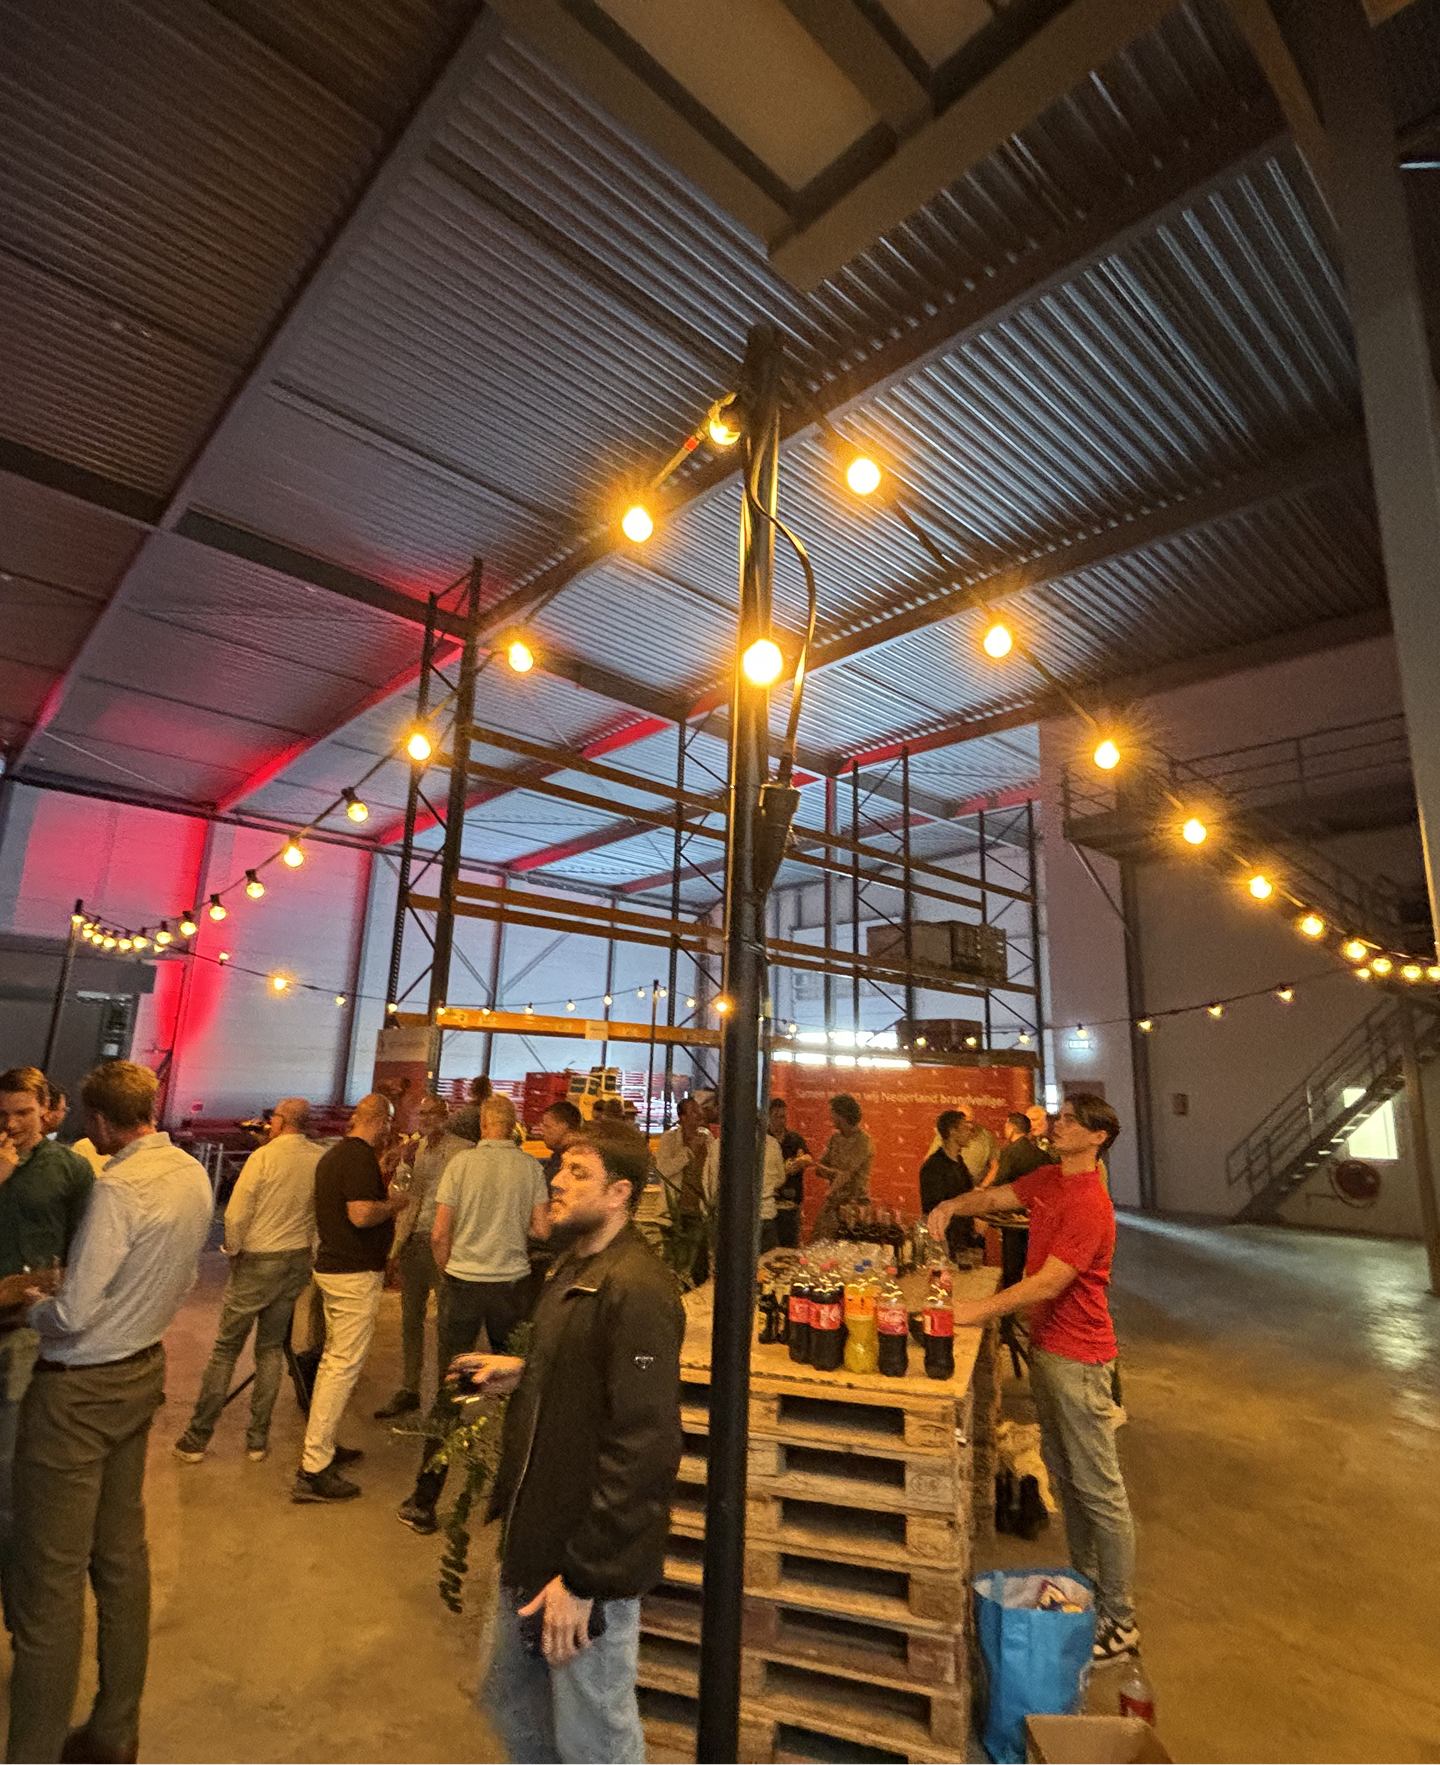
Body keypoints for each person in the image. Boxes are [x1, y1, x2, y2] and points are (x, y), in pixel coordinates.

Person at [458, 1120, 683, 1764]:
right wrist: (524, 1374)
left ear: (619, 1194)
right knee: (512, 1710)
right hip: (532, 1539)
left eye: (577, 1173)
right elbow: (591, 1378)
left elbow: (644, 1447)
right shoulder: (573, 1267)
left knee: (593, 1737)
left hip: (581, 1564)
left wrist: (584, 1579)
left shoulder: (637, 1289)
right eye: (561, 1167)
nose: (555, 1180)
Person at [7, 1060, 212, 1764]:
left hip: (78, 1389)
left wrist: (32, 1301)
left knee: (49, 1581)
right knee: (122, 1557)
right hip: (142, 1369)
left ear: (94, 1121)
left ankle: (30, 1748)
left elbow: (73, 1311)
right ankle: (114, 1729)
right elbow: (181, 1274)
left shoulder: (118, 1189)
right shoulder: (190, 1173)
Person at [927, 1093, 1139, 1662]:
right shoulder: (1048, 1179)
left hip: (1081, 1358)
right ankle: (1087, 1590)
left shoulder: (1092, 1203)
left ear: (1098, 1137)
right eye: (1059, 1116)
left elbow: (1049, 1282)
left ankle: (1121, 1621)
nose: (1058, 1124)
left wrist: (972, 1312)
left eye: (1071, 1119)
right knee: (1067, 1480)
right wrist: (952, 1203)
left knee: (1100, 1490)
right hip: (1049, 1351)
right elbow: (996, 1195)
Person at [397, 1095, 550, 1534]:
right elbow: (541, 1229)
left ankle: (424, 1503)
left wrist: (449, 1276)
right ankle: (514, 1499)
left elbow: (440, 1232)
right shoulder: (528, 1168)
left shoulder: (460, 1166)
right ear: (513, 1126)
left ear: (483, 1125)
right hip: (511, 1290)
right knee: (512, 1387)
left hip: (464, 1288)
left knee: (454, 1391)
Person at [173, 1097, 323, 1463]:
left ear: (283, 1121)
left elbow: (237, 1213)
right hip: (296, 1260)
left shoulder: (264, 1158)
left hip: (259, 1259)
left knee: (226, 1349)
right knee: (270, 1349)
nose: (267, 1123)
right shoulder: (319, 1158)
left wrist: (233, 1250)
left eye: (273, 1118)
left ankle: (196, 1438)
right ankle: (256, 1440)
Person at [0, 1068, 95, 1630]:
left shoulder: (70, 1170)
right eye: (3, 1114)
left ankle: (21, 1611)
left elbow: (85, 1252)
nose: (12, 1125)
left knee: (13, 1479)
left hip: (26, 1336)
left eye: (22, 1114)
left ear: (47, 1111)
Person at [293, 1092, 408, 1504]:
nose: (390, 1130)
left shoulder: (335, 1155)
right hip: (353, 1274)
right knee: (342, 1368)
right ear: (377, 1120)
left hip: (333, 1267)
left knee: (332, 1364)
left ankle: (321, 1446)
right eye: (389, 1121)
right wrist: (396, 1203)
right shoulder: (357, 1158)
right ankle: (314, 1468)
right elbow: (360, 1214)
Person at [374, 1094, 471, 1421]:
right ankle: (410, 1388)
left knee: (449, 1322)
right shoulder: (414, 1151)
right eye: (422, 1113)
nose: (427, 1118)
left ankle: (447, 1393)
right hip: (416, 1241)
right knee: (410, 1320)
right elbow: (399, 1197)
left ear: (447, 1114)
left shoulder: (463, 1151)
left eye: (433, 1113)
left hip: (448, 1245)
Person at [701, 1118, 785, 1252]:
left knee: (735, 1268)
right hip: (766, 1214)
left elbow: (710, 1184)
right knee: (768, 1267)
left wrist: (708, 1213)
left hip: (733, 1217)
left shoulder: (720, 1145)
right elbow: (781, 1178)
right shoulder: (772, 1143)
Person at [809, 1093, 873, 1241]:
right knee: (820, 1246)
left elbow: (847, 1175)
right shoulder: (835, 1138)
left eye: (832, 1112)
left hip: (855, 1207)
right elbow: (819, 1169)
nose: (830, 1117)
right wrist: (835, 1174)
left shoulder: (863, 1141)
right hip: (833, 1205)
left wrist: (832, 1181)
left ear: (841, 1115)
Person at [918, 1109, 979, 1261]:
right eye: (965, 1128)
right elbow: (932, 1209)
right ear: (952, 1131)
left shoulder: (959, 1162)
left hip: (964, 1238)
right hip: (945, 1244)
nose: (969, 1133)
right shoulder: (933, 1167)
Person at [766, 1098, 809, 1248]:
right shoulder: (764, 1140)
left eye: (784, 1116)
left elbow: (808, 1158)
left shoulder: (794, 1138)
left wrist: (798, 1163)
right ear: (769, 1116)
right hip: (769, 1206)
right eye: (778, 1116)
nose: (781, 1120)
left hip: (791, 1205)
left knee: (790, 1248)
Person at [996, 1110, 1050, 1187]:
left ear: (1012, 1128)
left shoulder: (1007, 1153)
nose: (1004, 1130)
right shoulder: (1042, 1154)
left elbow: (999, 1179)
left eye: (1006, 1126)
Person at [537, 1100, 583, 1182]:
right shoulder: (559, 1155)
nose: (542, 1131)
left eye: (547, 1126)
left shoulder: (573, 1162)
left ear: (563, 1127)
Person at [450, 1075, 493, 1144]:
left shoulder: (463, 1113)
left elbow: (449, 1127)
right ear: (490, 1092)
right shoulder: (493, 1114)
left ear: (471, 1091)